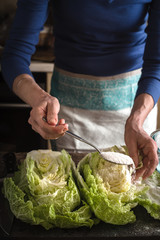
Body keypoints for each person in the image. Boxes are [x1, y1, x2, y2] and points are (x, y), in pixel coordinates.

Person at [1, 0, 160, 180]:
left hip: (136, 106)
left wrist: (136, 120)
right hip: (71, 111)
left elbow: (157, 63)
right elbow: (15, 55)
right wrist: (39, 98)